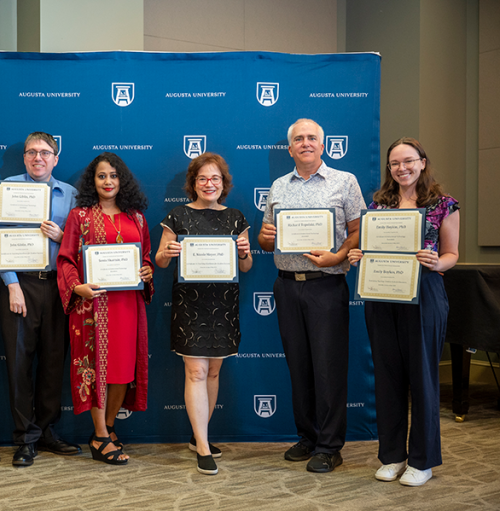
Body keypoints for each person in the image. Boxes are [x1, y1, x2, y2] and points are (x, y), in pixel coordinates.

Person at [348, 138, 459, 487]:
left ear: (423, 163)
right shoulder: (378, 204)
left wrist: (436, 260)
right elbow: (371, 248)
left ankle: (422, 461)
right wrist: (358, 257)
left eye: (409, 161)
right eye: (395, 163)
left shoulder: (443, 204)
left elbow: (452, 254)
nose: (402, 168)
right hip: (381, 295)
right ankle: (392, 455)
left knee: (423, 377)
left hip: (424, 293)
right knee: (387, 376)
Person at [258, 118, 365, 473]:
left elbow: (358, 230)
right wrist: (267, 238)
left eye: (312, 138)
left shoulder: (344, 182)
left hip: (326, 284)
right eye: (299, 139)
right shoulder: (278, 186)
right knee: (299, 365)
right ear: (289, 148)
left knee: (328, 367)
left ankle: (330, 445)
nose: (305, 143)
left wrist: (338, 256)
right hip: (286, 284)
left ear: (323, 145)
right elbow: (264, 237)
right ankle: (307, 436)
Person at [155, 152, 253, 475]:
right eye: (202, 179)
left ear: (223, 184)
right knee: (195, 372)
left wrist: (245, 253)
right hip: (190, 307)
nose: (209, 184)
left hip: (224, 307)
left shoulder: (237, 217)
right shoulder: (177, 216)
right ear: (193, 183)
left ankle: (201, 436)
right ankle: (202, 446)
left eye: (215, 179)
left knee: (213, 373)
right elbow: (160, 260)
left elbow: (246, 266)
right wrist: (168, 252)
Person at [57, 152, 154, 465]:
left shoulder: (137, 217)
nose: (108, 181)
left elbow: (147, 257)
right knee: (98, 370)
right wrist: (76, 288)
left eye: (113, 175)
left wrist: (147, 271)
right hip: (92, 307)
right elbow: (67, 259)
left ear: (121, 180)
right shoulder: (79, 217)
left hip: (127, 305)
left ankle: (109, 427)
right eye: (102, 176)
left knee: (122, 373)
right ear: (93, 181)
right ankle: (99, 436)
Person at [0, 132, 81, 467]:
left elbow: (78, 248)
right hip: (21, 286)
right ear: (24, 157)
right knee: (18, 363)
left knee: (52, 362)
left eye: (45, 153)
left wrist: (62, 238)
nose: (38, 158)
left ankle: (46, 432)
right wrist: (11, 284)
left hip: (57, 285)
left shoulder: (70, 194)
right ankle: (24, 438)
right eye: (31, 152)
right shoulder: (7, 189)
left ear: (55, 159)